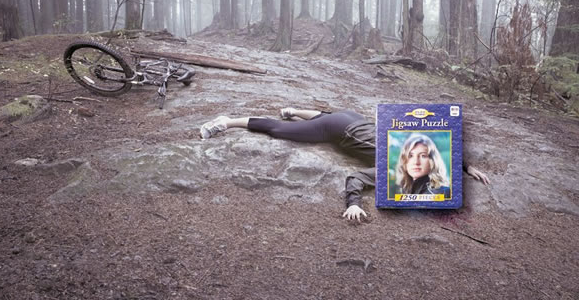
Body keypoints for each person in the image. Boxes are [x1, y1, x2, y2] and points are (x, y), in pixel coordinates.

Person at [200, 108, 490, 221]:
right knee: (279, 130)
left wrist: (467, 167)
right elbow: (356, 178)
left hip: (352, 119)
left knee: (324, 118)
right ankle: (228, 121)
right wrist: (353, 204)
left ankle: (293, 110)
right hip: (336, 128)